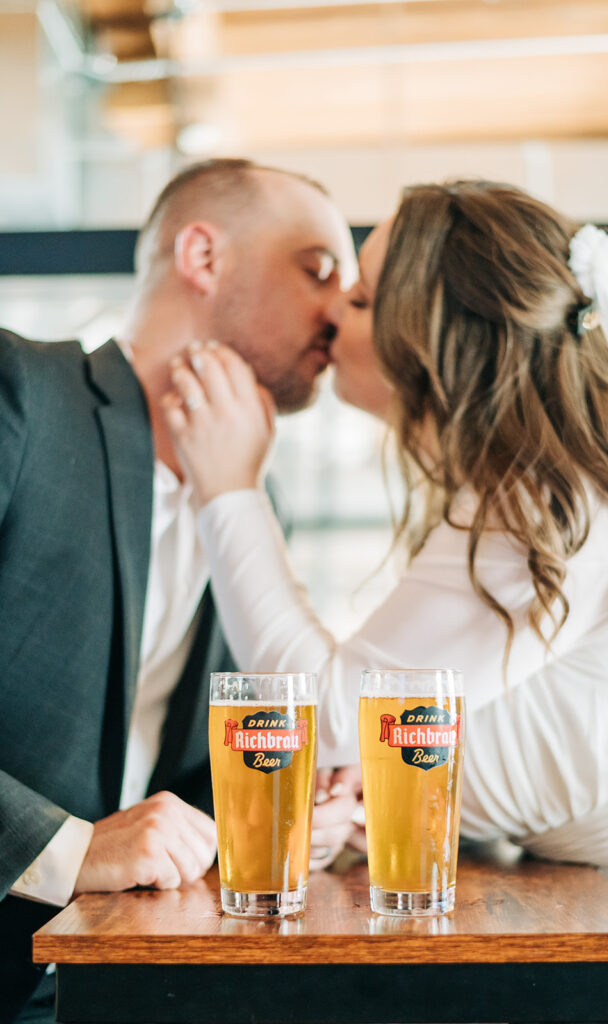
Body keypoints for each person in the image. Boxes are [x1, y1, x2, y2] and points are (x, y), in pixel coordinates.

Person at [163, 179, 608, 1022]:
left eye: (362, 296)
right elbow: (403, 723)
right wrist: (360, 796)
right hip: (587, 942)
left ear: (432, 339)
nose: (334, 315)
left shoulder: (544, 511)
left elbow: (335, 711)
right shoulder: (519, 495)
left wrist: (230, 491)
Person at [0, 157, 360, 1024]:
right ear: (203, 256)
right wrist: (67, 846)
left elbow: (180, 770)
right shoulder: (18, 393)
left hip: (121, 981)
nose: (342, 313)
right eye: (318, 270)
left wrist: (281, 800)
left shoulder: (245, 503)